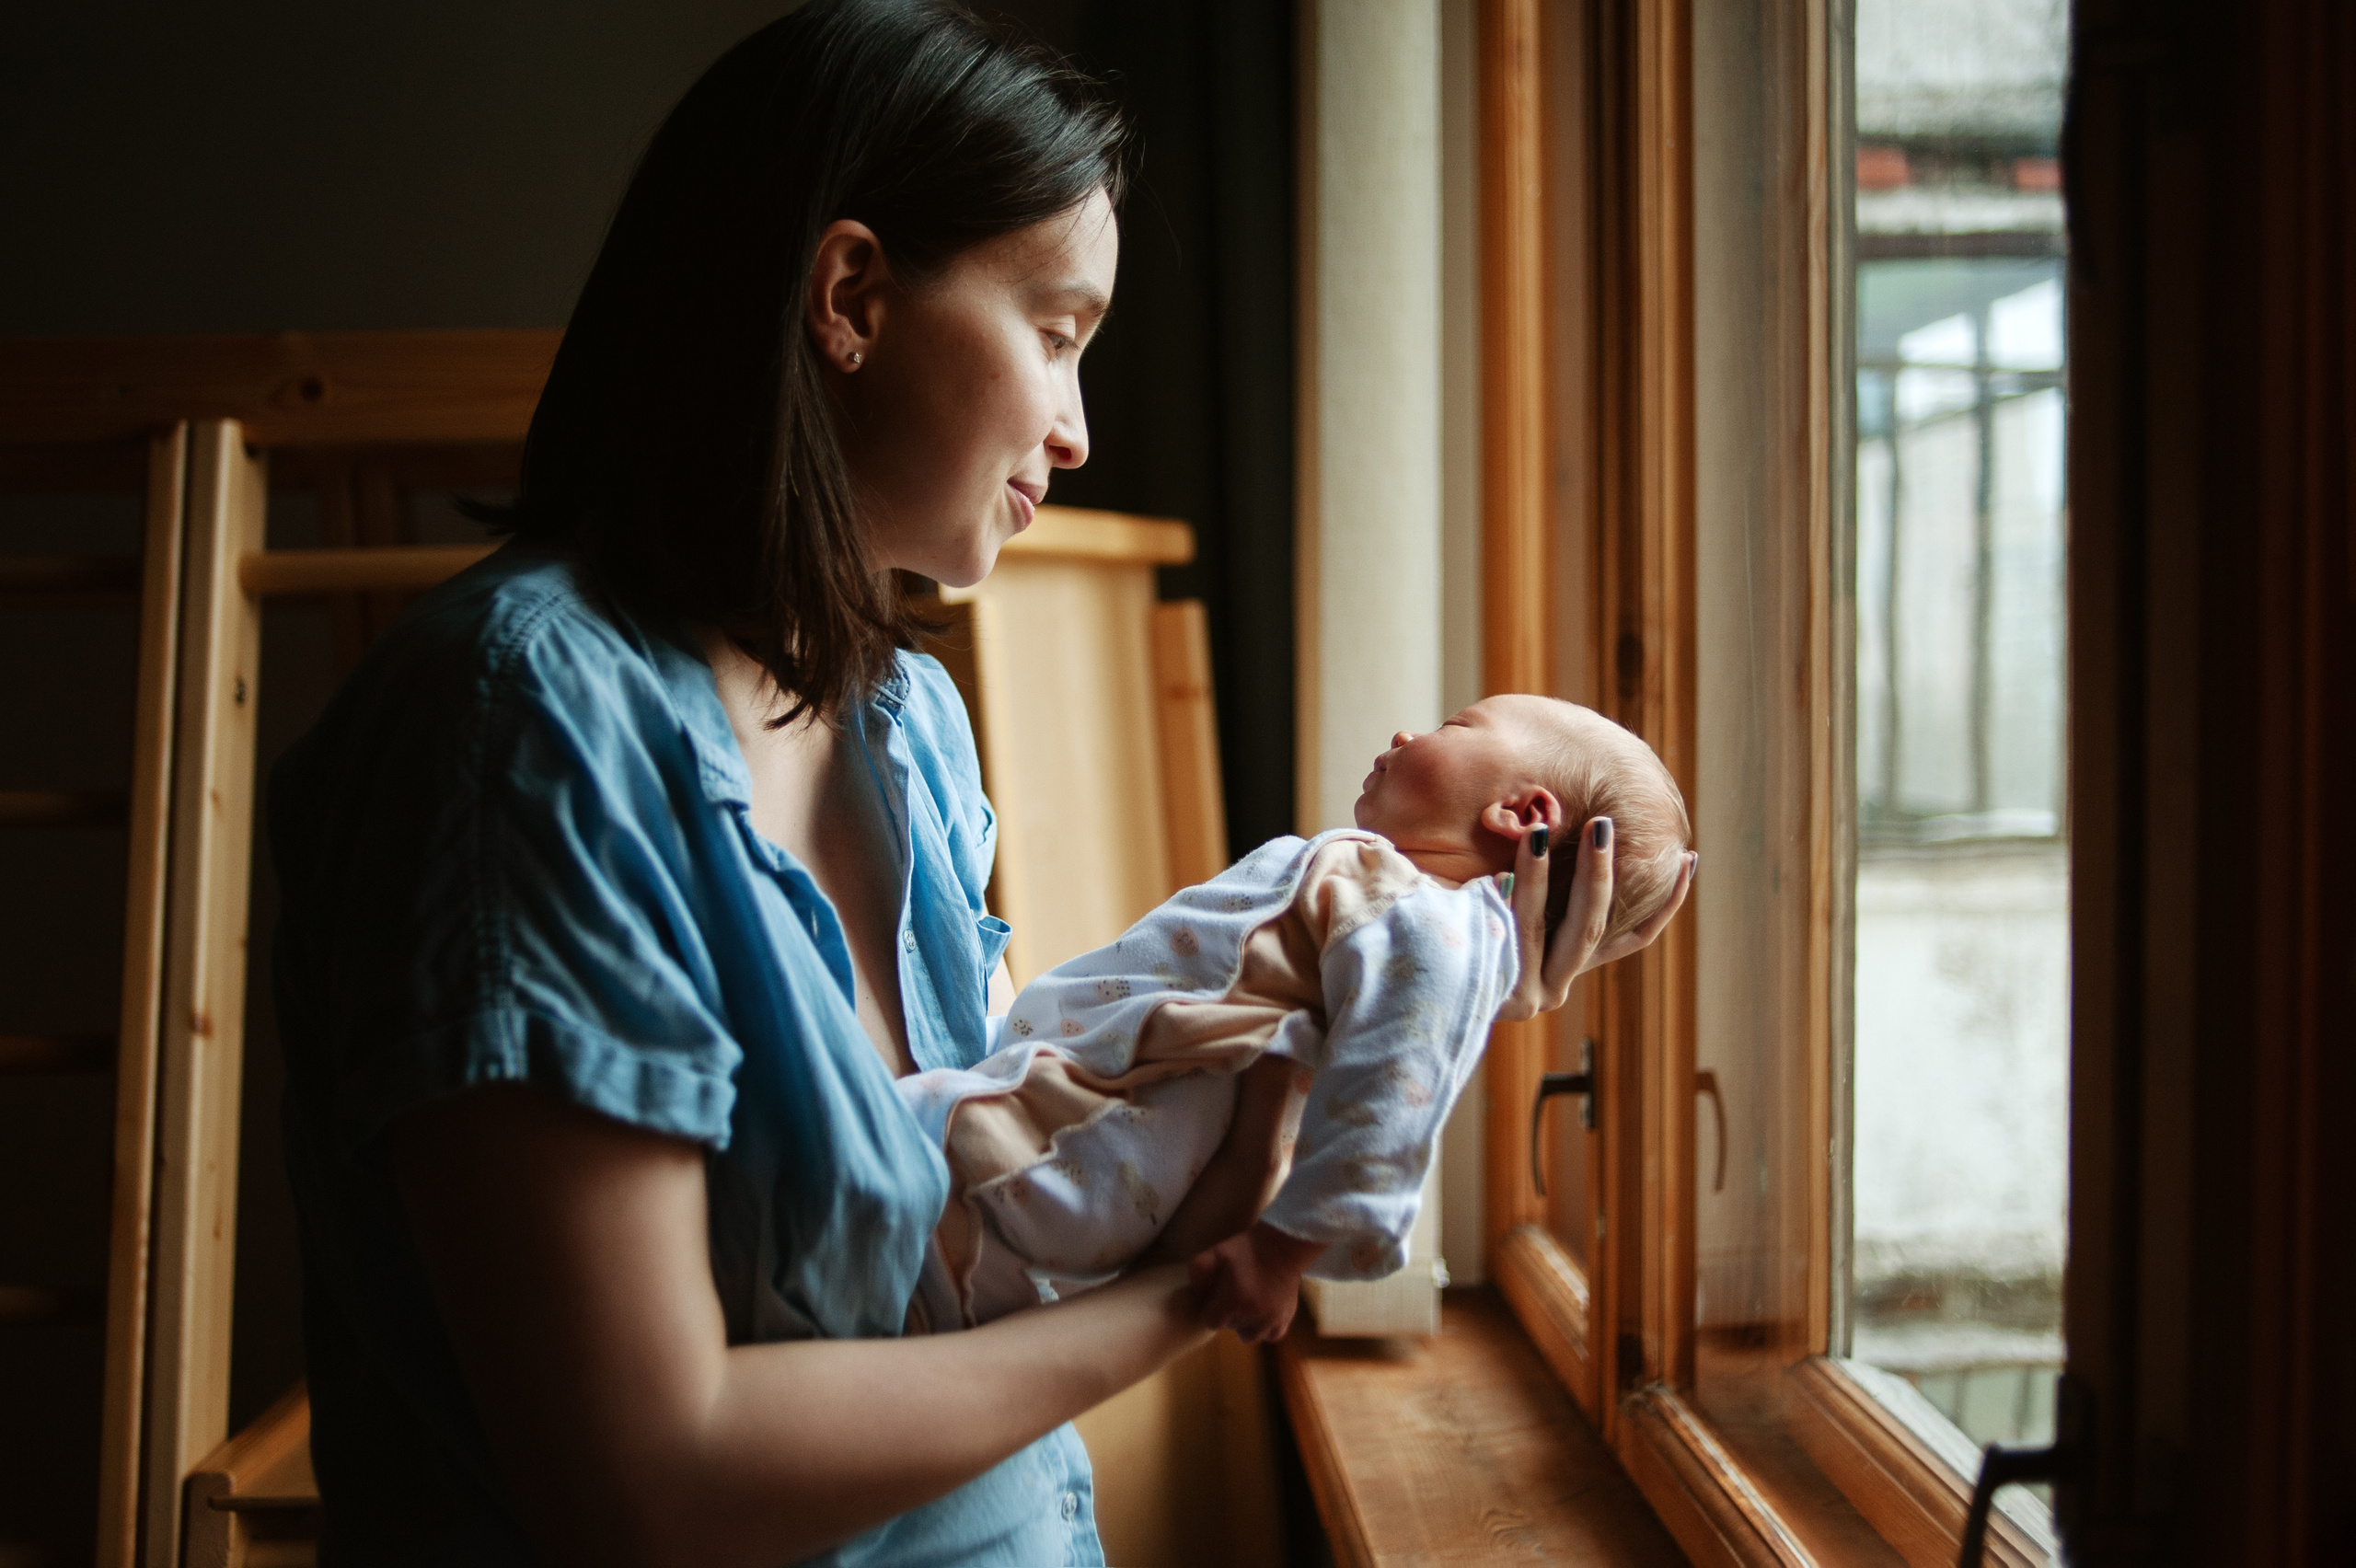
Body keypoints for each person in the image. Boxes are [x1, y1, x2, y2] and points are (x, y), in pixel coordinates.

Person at [266, 5, 1686, 1565]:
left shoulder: (906, 726)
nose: (1078, 432)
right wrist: (1195, 1281)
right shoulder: (522, 731)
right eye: (1059, 331)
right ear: (853, 294)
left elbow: (973, 1228)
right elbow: (650, 1483)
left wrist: (1394, 986)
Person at [895, 697, 1694, 1340]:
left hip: (1052, 1143)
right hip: (1057, 1139)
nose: (1407, 731)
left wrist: (1282, 1252)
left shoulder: (1433, 921)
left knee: (879, 1151)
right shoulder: (1392, 910)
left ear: (1523, 813)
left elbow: (1394, 1094)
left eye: (1456, 726)